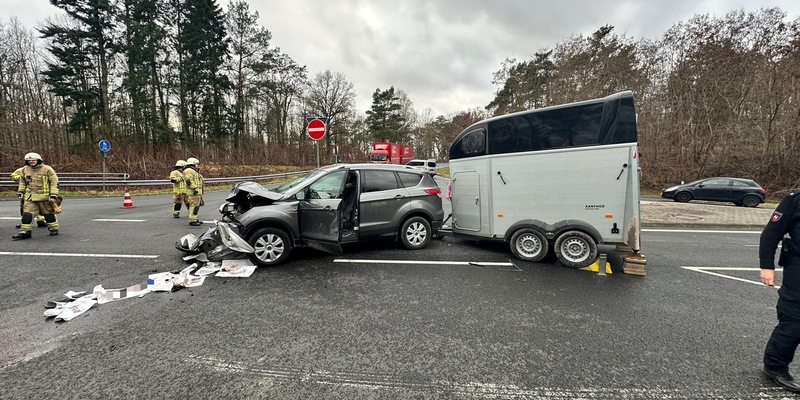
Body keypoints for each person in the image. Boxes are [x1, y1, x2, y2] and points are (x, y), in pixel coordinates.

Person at [760, 189, 800, 393]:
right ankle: (774, 366)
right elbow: (771, 233)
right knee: (794, 320)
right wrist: (767, 266)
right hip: (798, 267)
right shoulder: (795, 200)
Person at [13, 152, 60, 240]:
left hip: (45, 197)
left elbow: (54, 182)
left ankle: (53, 228)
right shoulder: (25, 169)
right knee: (27, 214)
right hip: (30, 197)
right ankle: (25, 232)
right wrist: (20, 192)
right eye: (29, 160)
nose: (31, 161)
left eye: (33, 160)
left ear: (38, 160)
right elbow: (23, 182)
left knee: (48, 214)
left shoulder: (47, 169)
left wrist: (53, 195)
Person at [10, 164, 49, 228]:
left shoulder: (41, 170)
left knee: (40, 206)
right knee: (25, 208)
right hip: (25, 192)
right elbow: (13, 176)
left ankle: (41, 221)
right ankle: (24, 222)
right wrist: (23, 178)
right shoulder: (22, 170)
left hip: (36, 192)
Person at [183, 157, 204, 226]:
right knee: (193, 206)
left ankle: (194, 218)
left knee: (196, 206)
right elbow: (189, 181)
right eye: (196, 164)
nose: (197, 165)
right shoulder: (189, 170)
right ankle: (192, 220)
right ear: (192, 164)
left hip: (196, 192)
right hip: (193, 192)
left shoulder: (194, 171)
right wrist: (195, 188)